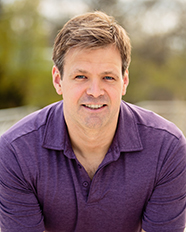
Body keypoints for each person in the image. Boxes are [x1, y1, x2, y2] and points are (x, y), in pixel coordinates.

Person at [0, 11, 186, 232]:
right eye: (81, 77)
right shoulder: (16, 152)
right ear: (58, 80)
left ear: (124, 81)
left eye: (108, 77)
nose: (95, 91)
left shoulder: (167, 148)